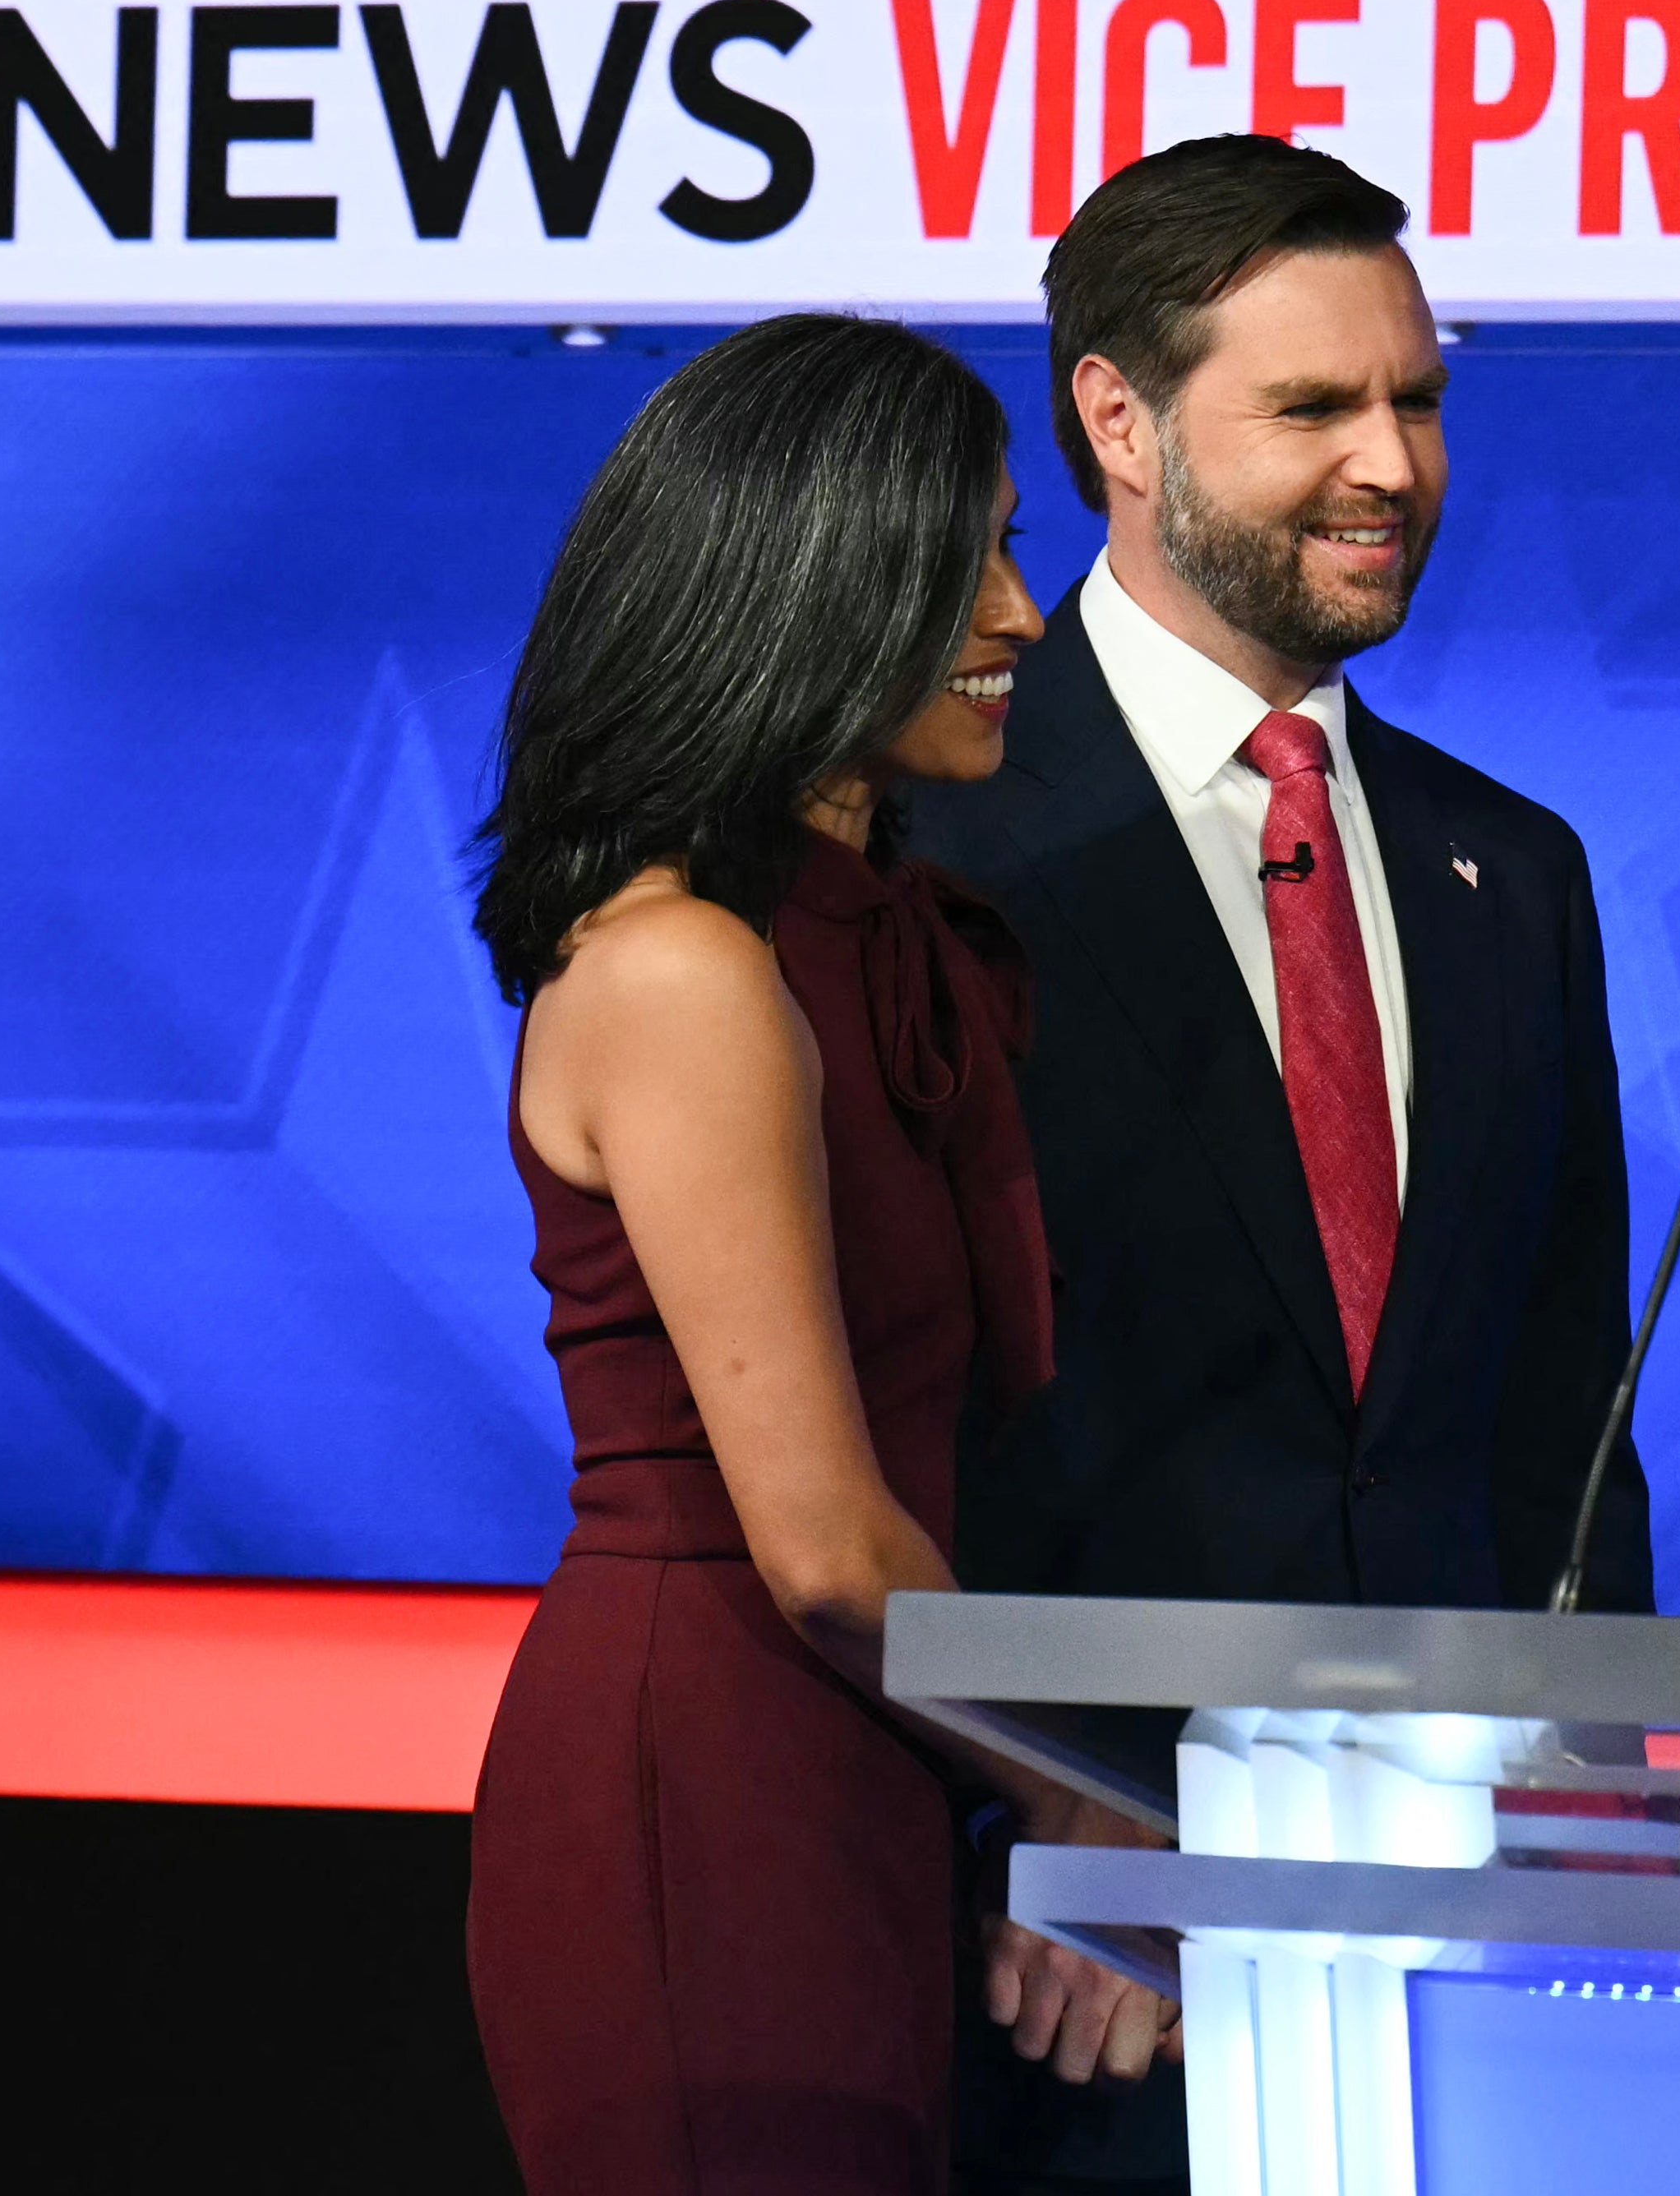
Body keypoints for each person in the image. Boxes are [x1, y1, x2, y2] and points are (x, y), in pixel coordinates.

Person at [905, 135, 1649, 2189]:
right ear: (1116, 422)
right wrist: (1046, 1804)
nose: (1392, 465)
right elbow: (881, 1422)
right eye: (1314, 407)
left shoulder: (1514, 868)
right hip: (1066, 1949)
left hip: (1466, 1964)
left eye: (1414, 400)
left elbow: (1558, 1424)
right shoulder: (929, 835)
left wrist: (1597, 1825)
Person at [464, 315, 1169, 2195]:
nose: (1023, 613)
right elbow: (824, 1547)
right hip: (714, 1785)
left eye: (1017, 546)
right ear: (802, 585)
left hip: (861, 1769)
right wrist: (1079, 1804)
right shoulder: (688, 968)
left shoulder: (876, 945)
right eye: (972, 560)